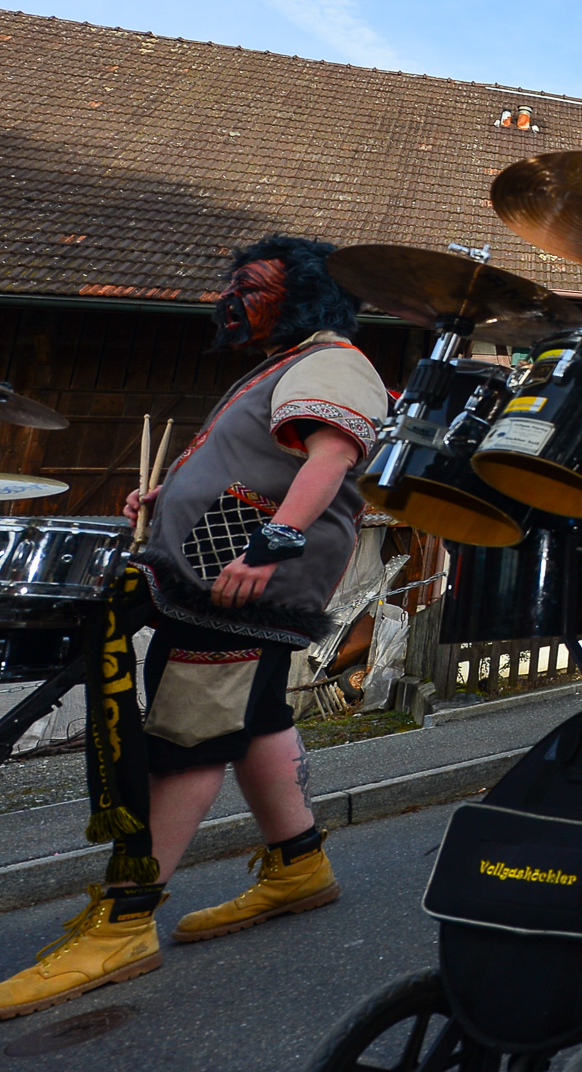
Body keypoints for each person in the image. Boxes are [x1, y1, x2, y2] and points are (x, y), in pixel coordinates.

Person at [0, 237, 385, 1020]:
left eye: (253, 286)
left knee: (189, 730)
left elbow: (332, 454)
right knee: (254, 718)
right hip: (222, 574)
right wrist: (163, 503)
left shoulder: (335, 359)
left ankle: (125, 919)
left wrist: (270, 540)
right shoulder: (286, 364)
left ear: (307, 294)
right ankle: (299, 865)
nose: (233, 299)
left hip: (241, 584)